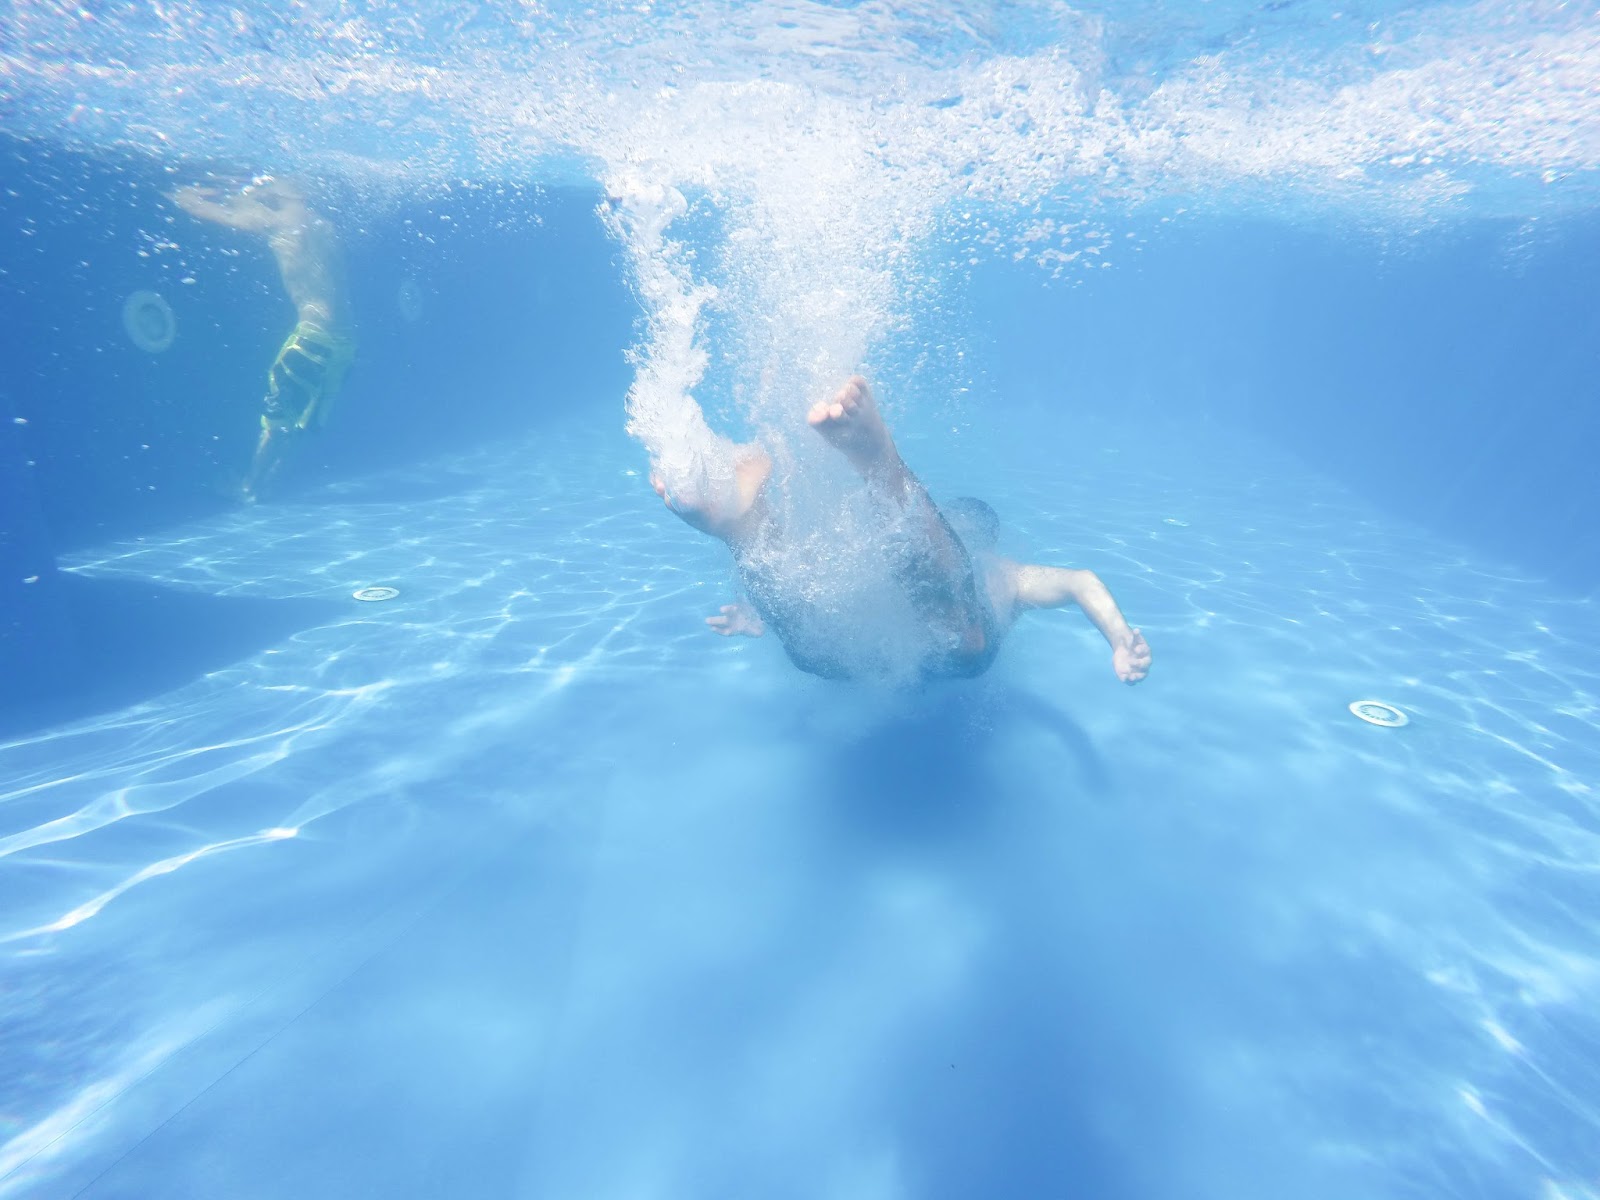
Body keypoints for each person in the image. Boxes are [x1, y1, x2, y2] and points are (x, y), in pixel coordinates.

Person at [651, 375, 1152, 684]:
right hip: (941, 649)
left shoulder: (992, 572)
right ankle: (881, 467)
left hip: (874, 649)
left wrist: (759, 614)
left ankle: (745, 529)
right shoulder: (1011, 575)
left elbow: (831, 589)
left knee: (816, 651)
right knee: (964, 643)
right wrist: (1119, 637)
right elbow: (1082, 581)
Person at [171, 177, 355, 501]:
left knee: (277, 420)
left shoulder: (274, 221)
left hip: (313, 336)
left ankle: (250, 488)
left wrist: (180, 195)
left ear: (272, 195)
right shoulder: (325, 225)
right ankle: (273, 483)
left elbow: (215, 214)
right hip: (347, 343)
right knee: (304, 419)